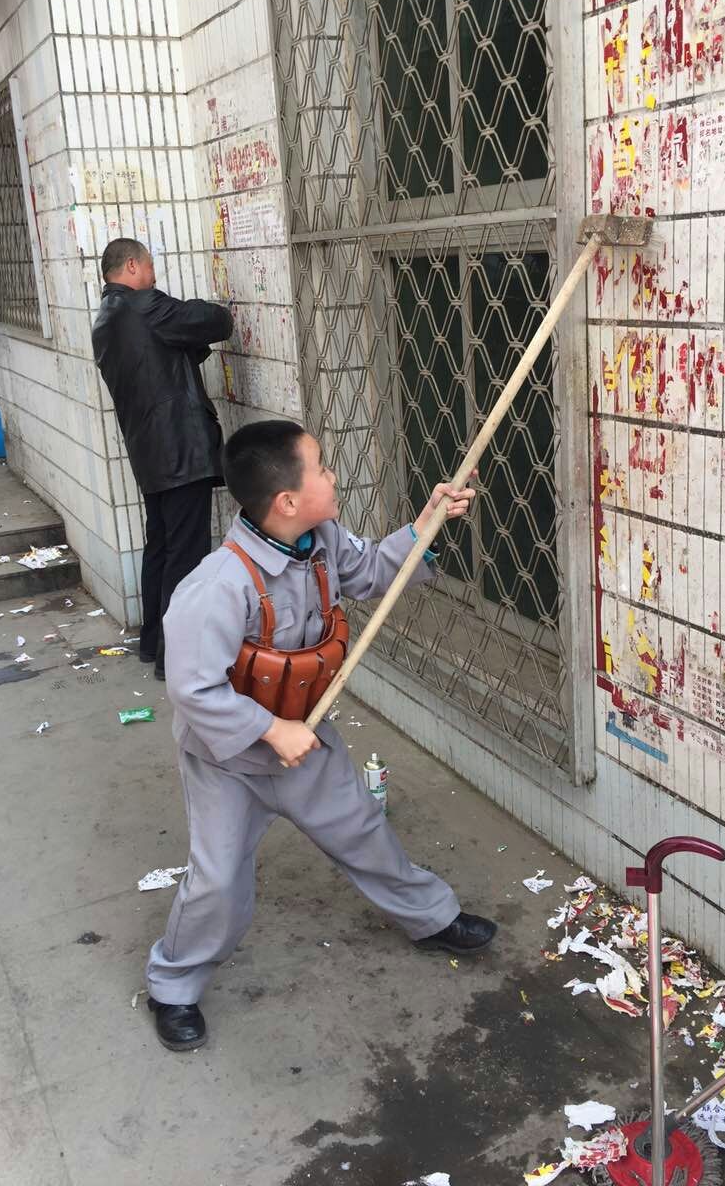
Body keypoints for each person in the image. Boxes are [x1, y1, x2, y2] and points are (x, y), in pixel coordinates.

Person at [145, 419, 497, 1050]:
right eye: (322, 468)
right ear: (286, 500)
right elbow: (193, 690)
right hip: (229, 761)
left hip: (307, 738)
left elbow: (372, 573)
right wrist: (269, 729)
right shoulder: (218, 586)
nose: (333, 476)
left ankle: (431, 918)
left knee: (362, 830)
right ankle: (173, 986)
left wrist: (425, 526)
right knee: (218, 880)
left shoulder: (322, 541)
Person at [92, 239, 233, 680]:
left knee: (161, 547)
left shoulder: (106, 318)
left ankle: (153, 641)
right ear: (133, 265)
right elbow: (214, 321)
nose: (154, 275)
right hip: (181, 452)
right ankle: (177, 658)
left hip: (150, 453)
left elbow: (169, 351)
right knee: (186, 556)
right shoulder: (145, 306)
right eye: (151, 266)